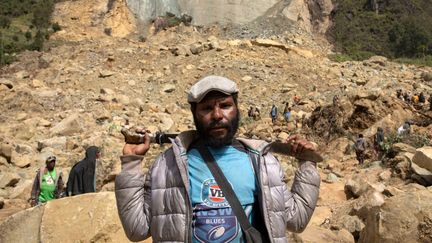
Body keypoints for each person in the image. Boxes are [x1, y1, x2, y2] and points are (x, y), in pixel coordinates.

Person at [115, 75, 320, 242]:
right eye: (206, 108)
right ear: (195, 114)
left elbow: (296, 220)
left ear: (237, 109)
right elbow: (137, 230)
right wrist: (131, 164)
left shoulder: (262, 163)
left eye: (225, 105)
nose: (217, 115)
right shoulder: (167, 166)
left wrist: (307, 164)